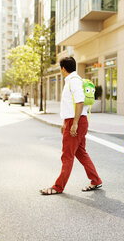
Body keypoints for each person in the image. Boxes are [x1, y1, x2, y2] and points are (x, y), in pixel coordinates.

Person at [40, 57, 102, 195]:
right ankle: (96, 180)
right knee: (80, 153)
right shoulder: (73, 80)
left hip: (77, 121)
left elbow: (79, 102)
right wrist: (65, 123)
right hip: (76, 120)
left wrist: (74, 124)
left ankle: (58, 187)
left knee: (67, 155)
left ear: (63, 69)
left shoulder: (73, 81)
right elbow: (70, 105)